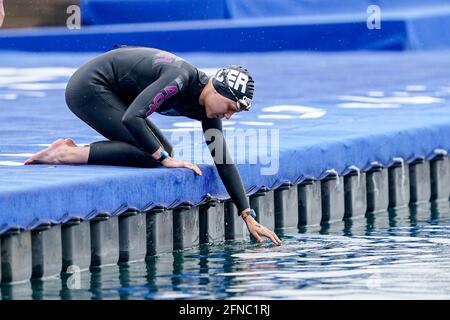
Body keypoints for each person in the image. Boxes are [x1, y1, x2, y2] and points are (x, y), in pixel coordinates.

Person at [24, 46, 281, 246]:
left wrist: (247, 215)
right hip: (89, 87)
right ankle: (66, 154)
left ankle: (69, 150)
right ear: (217, 89)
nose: (228, 117)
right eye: (230, 108)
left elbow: (223, 159)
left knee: (160, 149)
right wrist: (164, 159)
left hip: (115, 91)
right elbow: (133, 117)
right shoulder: (182, 78)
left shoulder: (209, 107)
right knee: (157, 154)